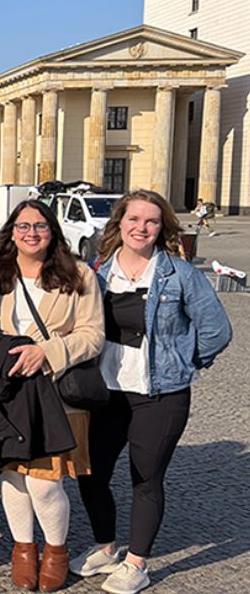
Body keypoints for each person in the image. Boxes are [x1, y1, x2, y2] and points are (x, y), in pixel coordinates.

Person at [72, 190, 232, 594]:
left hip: (159, 395)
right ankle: (106, 547)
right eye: (134, 219)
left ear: (162, 228)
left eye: (151, 221)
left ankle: (137, 563)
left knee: (145, 478)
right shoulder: (99, 272)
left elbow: (217, 331)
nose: (141, 228)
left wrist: (183, 363)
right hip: (106, 393)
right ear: (119, 224)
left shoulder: (181, 274)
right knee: (90, 473)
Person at [0, 200, 105, 592]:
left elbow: (92, 335)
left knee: (45, 483)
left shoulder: (78, 274)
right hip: (8, 394)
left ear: (52, 231)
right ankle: (23, 549)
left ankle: (56, 550)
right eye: (23, 226)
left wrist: (47, 353)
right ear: (11, 232)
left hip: (55, 393)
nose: (31, 233)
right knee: (13, 479)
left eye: (39, 226)